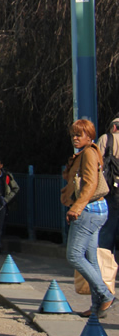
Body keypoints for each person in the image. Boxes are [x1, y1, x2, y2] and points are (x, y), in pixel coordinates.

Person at [62, 119, 115, 319]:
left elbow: (90, 183)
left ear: (89, 136)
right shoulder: (87, 152)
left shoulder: (89, 154)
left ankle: (105, 294)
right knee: (91, 259)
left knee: (74, 255)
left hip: (89, 211)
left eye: (79, 134)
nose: (75, 138)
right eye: (73, 134)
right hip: (96, 210)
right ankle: (97, 306)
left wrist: (76, 208)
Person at [96, 115, 119, 253]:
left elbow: (96, 163)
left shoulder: (106, 138)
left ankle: (105, 260)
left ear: (114, 127)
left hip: (111, 189)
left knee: (109, 225)